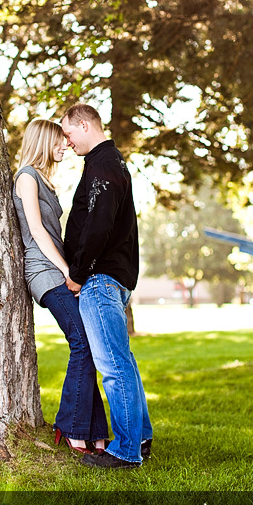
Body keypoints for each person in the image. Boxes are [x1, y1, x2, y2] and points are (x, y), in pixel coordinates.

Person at [61, 103, 153, 469]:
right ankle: (140, 438)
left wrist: (78, 273)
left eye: (69, 134)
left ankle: (127, 451)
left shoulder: (102, 165)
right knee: (124, 363)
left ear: (84, 126)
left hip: (99, 279)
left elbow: (96, 226)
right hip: (115, 276)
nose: (67, 143)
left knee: (114, 367)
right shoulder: (112, 162)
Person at [12, 118, 109, 454]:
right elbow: (37, 233)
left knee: (90, 345)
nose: (65, 144)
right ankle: (70, 427)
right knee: (82, 341)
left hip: (58, 269)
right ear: (43, 142)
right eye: (59, 140)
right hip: (45, 272)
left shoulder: (45, 181)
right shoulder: (26, 177)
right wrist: (70, 270)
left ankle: (96, 433)